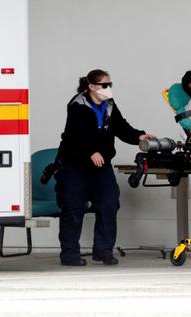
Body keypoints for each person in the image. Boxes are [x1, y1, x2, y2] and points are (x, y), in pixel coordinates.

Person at [55, 69, 155, 266]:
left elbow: (120, 127)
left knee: (109, 204)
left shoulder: (109, 105)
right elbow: (77, 135)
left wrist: (139, 136)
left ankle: (103, 251)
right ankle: (69, 255)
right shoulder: (78, 105)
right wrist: (91, 152)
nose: (109, 88)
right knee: (73, 208)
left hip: (101, 165)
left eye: (110, 84)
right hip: (76, 165)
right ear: (91, 87)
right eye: (105, 85)